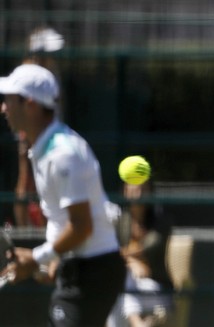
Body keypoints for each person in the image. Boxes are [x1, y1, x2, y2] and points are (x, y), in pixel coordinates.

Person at [0, 63, 126, 327]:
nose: (3, 108)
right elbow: (60, 218)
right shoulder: (42, 150)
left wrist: (37, 258)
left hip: (94, 270)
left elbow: (81, 226)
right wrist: (52, 261)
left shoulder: (63, 154)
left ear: (30, 105)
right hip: (79, 267)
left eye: (9, 101)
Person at [12, 27, 64, 227]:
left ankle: (44, 228)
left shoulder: (52, 72)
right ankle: (23, 230)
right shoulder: (28, 73)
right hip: (32, 131)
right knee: (26, 176)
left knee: (46, 181)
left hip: (50, 132)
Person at [108, 181, 174, 327]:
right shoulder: (120, 220)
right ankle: (138, 323)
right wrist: (131, 263)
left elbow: (147, 246)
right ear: (125, 192)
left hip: (156, 290)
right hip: (128, 290)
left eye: (143, 190)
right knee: (120, 293)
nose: (138, 195)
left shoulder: (160, 219)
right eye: (134, 190)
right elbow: (109, 253)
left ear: (151, 193)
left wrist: (124, 258)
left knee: (120, 294)